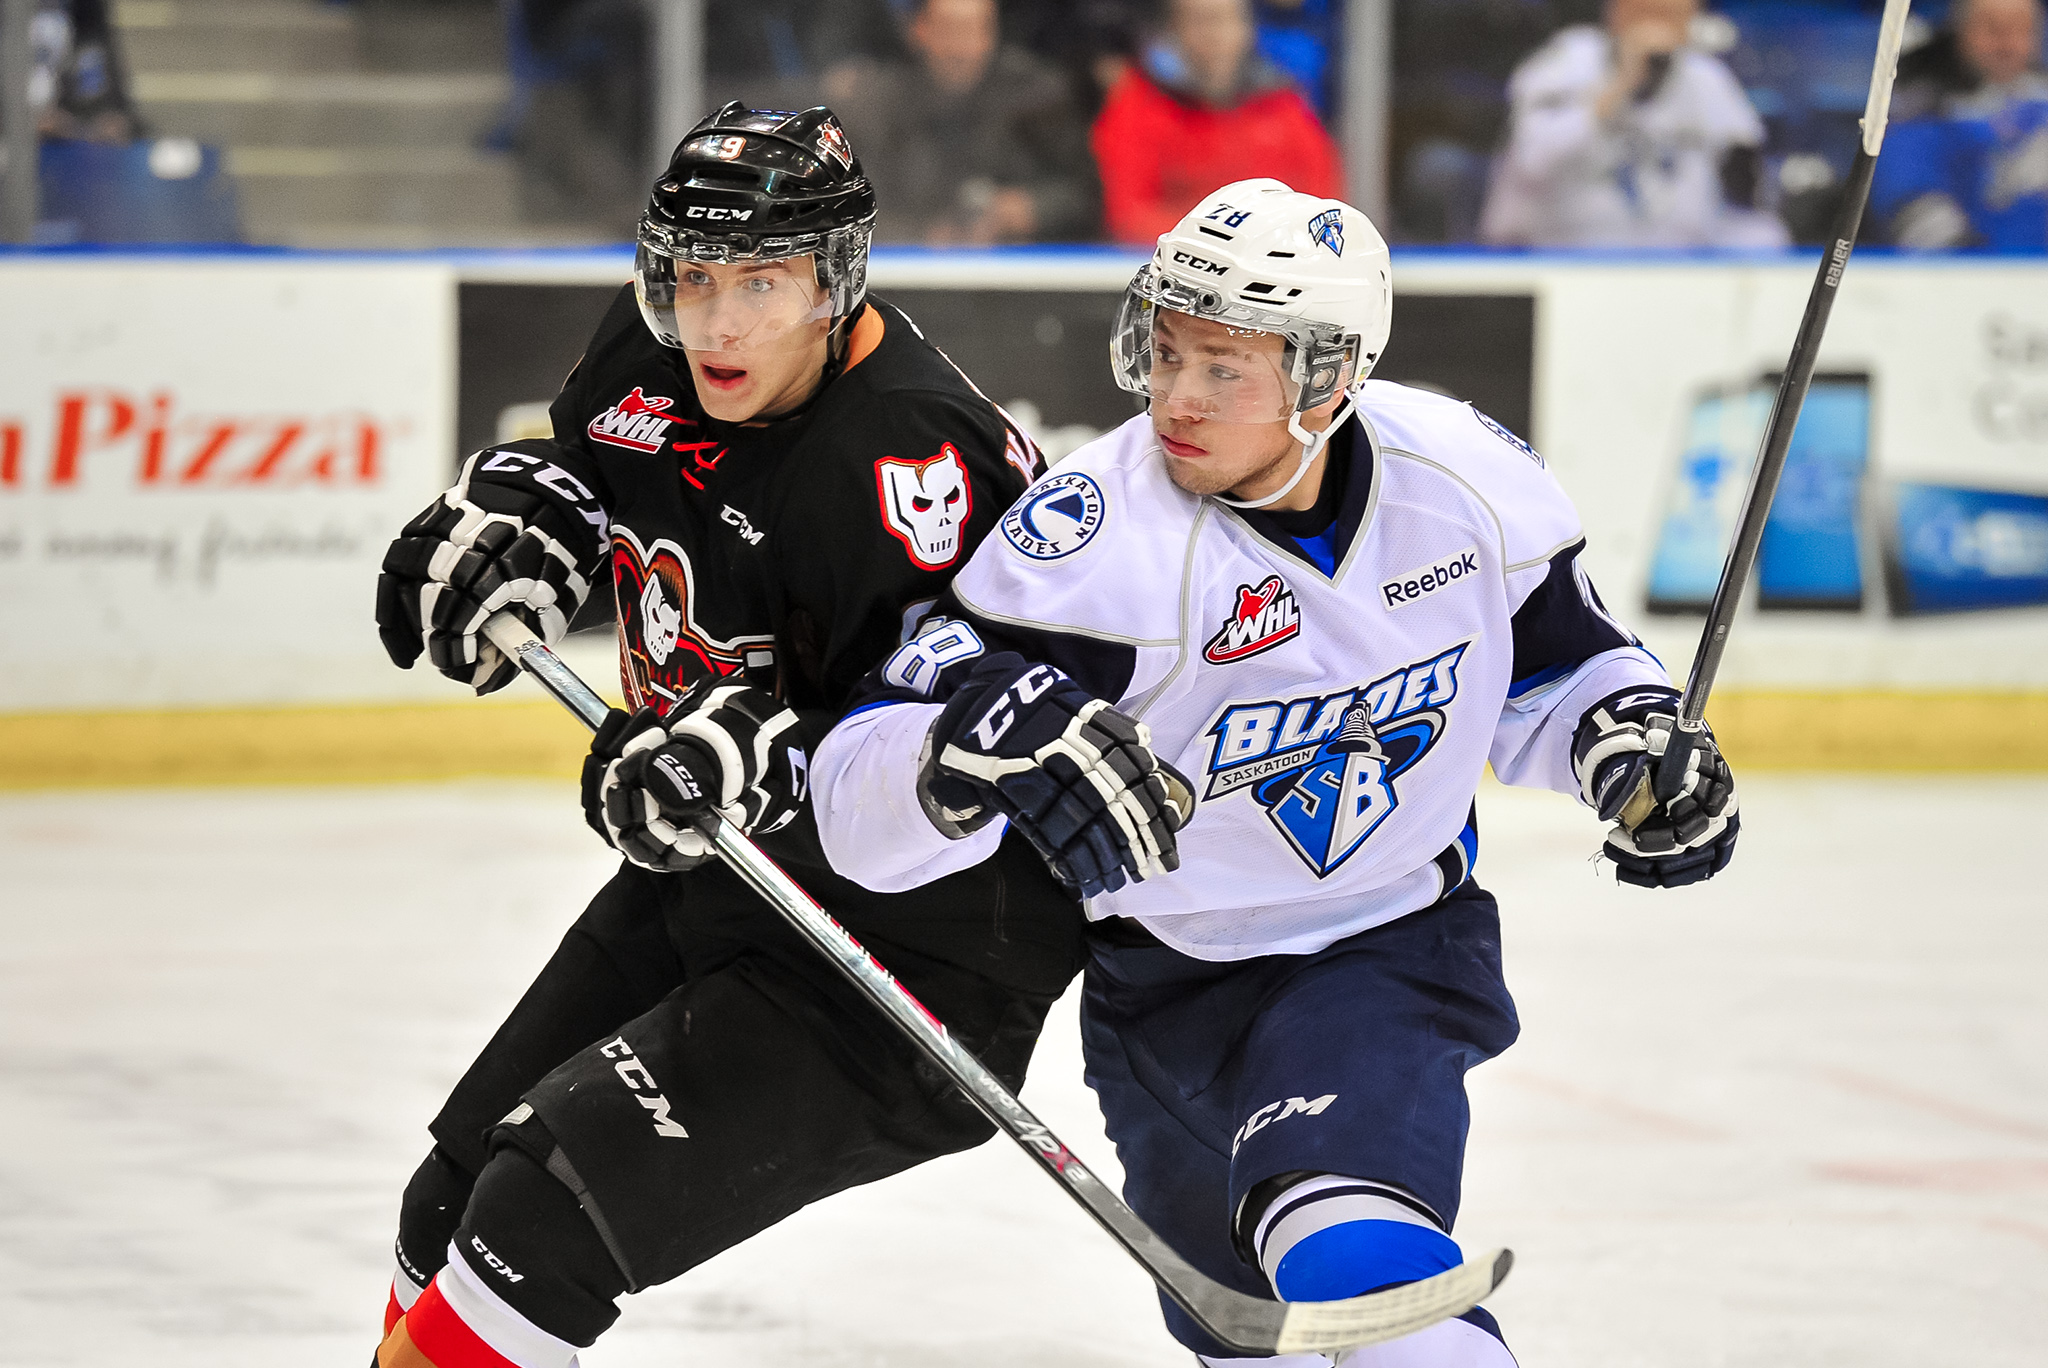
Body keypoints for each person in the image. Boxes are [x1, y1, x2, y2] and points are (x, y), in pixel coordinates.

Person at [810, 178, 1741, 1366]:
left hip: (1385, 948)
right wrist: (955, 759)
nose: (1173, 399)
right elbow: (857, 809)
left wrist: (1628, 744)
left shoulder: (1458, 482)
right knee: (1232, 1333)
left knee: (1345, 1239)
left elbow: (1557, 676)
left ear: (1328, 379)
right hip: (1161, 988)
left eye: (1222, 369)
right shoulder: (1093, 546)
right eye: (1166, 351)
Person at [367, 103, 1087, 1368]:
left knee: (537, 1225)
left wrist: (773, 754)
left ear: (837, 279)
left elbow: (949, 757)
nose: (718, 322)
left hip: (903, 953)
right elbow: (600, 485)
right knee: (447, 1207)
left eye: (762, 281)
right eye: (693, 278)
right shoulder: (654, 348)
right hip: (721, 864)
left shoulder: (904, 458)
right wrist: (535, 528)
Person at [1479, 0, 1787, 248]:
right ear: (1616, 11)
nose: (1659, 27)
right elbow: (1531, 163)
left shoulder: (1704, 77)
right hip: (1570, 254)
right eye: (1648, 11)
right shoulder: (1567, 61)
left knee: (1764, 238)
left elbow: (1749, 181)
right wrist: (1617, 88)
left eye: (1674, 14)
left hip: (1677, 258)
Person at [827, 0, 1101, 244]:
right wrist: (924, 234)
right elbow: (851, 208)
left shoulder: (1038, 97)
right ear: (919, 30)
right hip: (913, 275)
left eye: (975, 29)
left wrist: (1029, 210)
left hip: (1023, 273)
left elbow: (1086, 197)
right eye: (950, 29)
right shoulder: (879, 105)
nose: (961, 47)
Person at [1092, 0, 1341, 244]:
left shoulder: (1283, 105)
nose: (1215, 35)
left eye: (1226, 19)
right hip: (1177, 267)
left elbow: (1323, 205)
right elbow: (1129, 215)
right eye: (1201, 21)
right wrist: (1225, 240)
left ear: (1248, 27)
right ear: (1173, 30)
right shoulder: (1138, 105)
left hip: (1276, 264)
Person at [1873, 0, 2048, 251]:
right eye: (1992, 29)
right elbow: (1918, 219)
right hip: (1959, 279)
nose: (2007, 43)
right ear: (1961, 31)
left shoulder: (2041, 114)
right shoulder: (1918, 115)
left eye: (2021, 30)